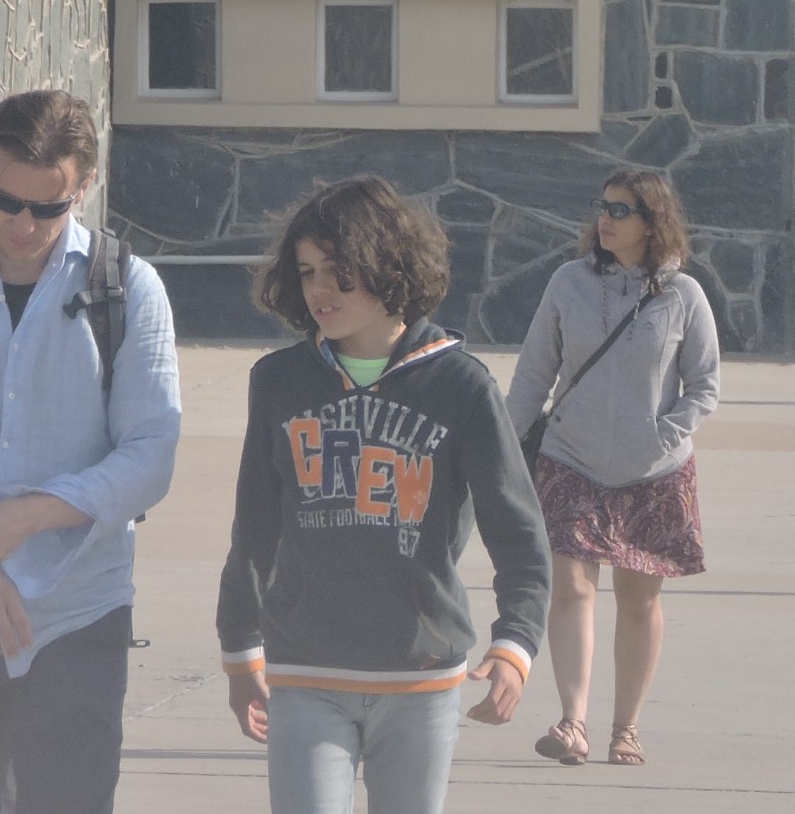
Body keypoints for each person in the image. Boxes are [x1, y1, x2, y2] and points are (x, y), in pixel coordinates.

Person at [220, 174, 550, 813]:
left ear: (387, 267)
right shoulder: (279, 382)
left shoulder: (462, 385)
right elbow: (254, 527)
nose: (319, 289)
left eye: (338, 272)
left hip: (420, 673)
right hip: (304, 670)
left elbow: (519, 530)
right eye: (308, 271)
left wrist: (516, 642)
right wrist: (239, 649)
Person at [0, 90, 181, 814]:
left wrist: (27, 519)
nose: (24, 224)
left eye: (49, 208)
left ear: (83, 187)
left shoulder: (127, 289)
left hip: (77, 617)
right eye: (5, 199)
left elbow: (150, 453)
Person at [509, 166, 720, 768]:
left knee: (638, 597)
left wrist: (664, 437)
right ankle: (571, 721)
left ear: (652, 222)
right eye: (602, 206)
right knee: (572, 585)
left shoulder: (684, 295)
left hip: (653, 469)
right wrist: (502, 446)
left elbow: (704, 386)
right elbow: (533, 375)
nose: (605, 218)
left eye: (621, 210)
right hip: (570, 457)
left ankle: (625, 728)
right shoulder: (567, 283)